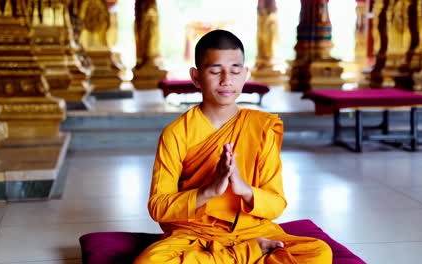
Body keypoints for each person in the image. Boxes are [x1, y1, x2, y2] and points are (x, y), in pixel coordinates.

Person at [134, 29, 332, 263]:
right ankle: (252, 253)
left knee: (318, 252)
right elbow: (158, 207)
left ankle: (240, 253)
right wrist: (210, 190)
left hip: (253, 230)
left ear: (245, 74)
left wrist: (244, 189)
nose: (226, 80)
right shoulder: (176, 133)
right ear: (196, 77)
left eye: (235, 71)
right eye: (215, 71)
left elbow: (276, 203)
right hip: (194, 234)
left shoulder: (260, 128)